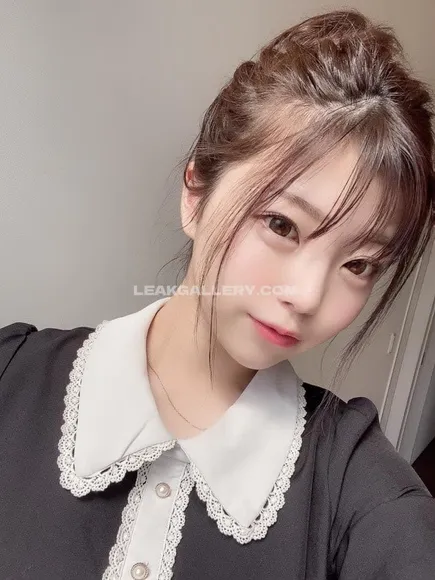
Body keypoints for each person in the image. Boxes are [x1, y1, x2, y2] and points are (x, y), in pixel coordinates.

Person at [1, 8, 434, 580]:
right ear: (196, 193)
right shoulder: (11, 376)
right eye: (281, 224)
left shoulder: (357, 486)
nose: (307, 296)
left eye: (359, 264)